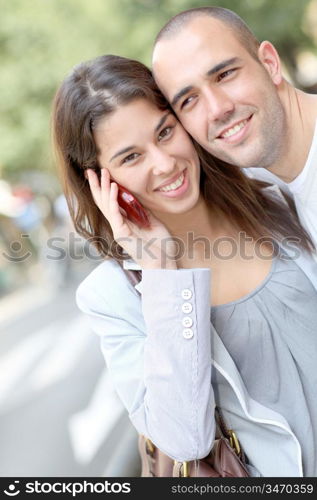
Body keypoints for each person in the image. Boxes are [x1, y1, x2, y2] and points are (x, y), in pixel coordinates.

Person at [52, 54, 317, 477]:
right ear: (98, 180)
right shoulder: (111, 296)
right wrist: (161, 273)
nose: (164, 163)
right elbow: (185, 438)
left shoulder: (272, 194)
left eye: (165, 132)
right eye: (131, 157)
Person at [152, 6, 317, 248]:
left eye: (225, 74)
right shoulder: (261, 183)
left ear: (270, 63)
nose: (217, 109)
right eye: (189, 100)